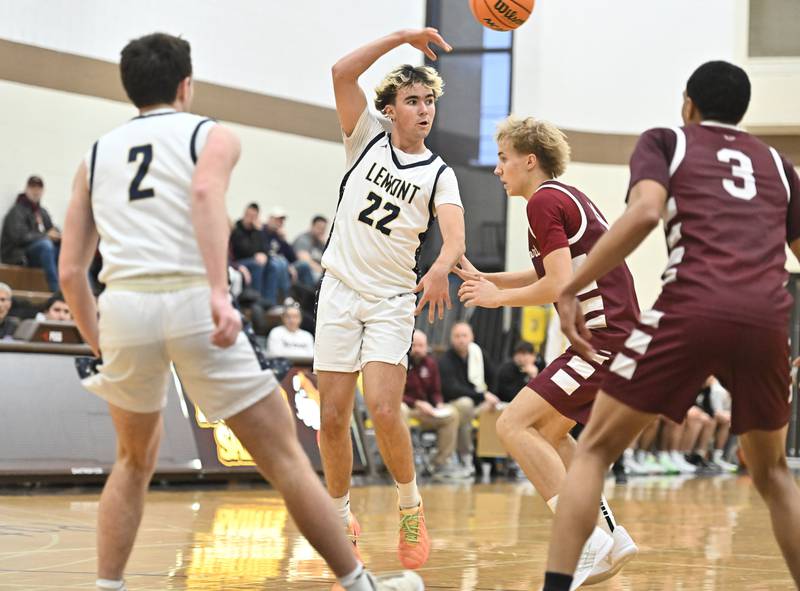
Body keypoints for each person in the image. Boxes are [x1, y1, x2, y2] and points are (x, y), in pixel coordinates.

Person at [57, 32, 422, 591]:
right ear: (186, 84)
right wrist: (218, 294)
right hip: (190, 301)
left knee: (131, 463)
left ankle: (109, 585)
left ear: (131, 88)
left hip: (123, 306)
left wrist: (99, 342)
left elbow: (68, 272)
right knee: (285, 458)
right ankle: (358, 583)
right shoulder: (211, 134)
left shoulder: (95, 155)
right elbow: (206, 195)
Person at [543, 61, 800, 590]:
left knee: (593, 447)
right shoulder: (778, 164)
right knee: (773, 474)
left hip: (692, 305)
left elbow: (642, 214)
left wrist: (571, 284)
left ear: (689, 104)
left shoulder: (667, 139)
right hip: (768, 318)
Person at [456, 115, 639, 587]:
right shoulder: (566, 196)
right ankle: (610, 536)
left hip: (600, 336)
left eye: (503, 158)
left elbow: (557, 284)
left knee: (512, 424)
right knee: (551, 434)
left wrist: (496, 299)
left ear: (529, 160)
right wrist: (490, 278)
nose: (498, 169)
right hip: (614, 336)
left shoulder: (542, 202)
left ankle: (584, 537)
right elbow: (549, 272)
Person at [315, 28, 464, 571]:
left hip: (390, 299)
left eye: (429, 102)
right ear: (390, 109)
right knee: (331, 417)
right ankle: (339, 520)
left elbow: (453, 237)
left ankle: (410, 506)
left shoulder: (439, 173)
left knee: (381, 407)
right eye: (413, 101)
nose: (424, 110)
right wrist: (404, 38)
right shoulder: (365, 138)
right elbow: (340, 72)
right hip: (338, 290)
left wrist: (444, 266)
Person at [402, 329, 465, 480]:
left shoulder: (431, 364)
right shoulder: (401, 363)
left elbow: (435, 391)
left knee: (452, 414)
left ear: (426, 347)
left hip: (427, 412)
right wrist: (416, 403)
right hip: (408, 408)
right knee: (400, 409)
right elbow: (395, 394)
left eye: (421, 346)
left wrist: (438, 404)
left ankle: (439, 463)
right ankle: (403, 461)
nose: (417, 349)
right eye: (414, 345)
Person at [438, 321, 498, 474]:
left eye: (464, 335)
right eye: (457, 336)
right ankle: (466, 457)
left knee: (498, 408)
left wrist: (491, 397)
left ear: (471, 337)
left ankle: (496, 462)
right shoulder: (446, 359)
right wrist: (483, 395)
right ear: (452, 339)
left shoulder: (480, 354)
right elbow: (452, 389)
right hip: (453, 403)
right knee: (465, 406)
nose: (461, 339)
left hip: (478, 404)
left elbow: (493, 378)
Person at [1, 175, 61, 291]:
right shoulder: (17, 211)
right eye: (32, 187)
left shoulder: (42, 212)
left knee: (65, 248)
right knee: (46, 245)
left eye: (39, 188)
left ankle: (80, 289)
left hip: (40, 254)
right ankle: (56, 290)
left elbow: (52, 228)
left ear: (43, 191)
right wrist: (46, 236)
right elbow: (19, 237)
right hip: (19, 255)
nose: (36, 191)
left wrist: (57, 234)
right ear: (26, 189)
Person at [230, 203, 270, 301]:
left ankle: (270, 300)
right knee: (257, 264)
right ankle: (256, 298)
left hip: (252, 260)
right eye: (248, 215)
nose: (250, 218)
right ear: (244, 213)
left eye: (253, 216)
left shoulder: (257, 230)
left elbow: (266, 249)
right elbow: (244, 250)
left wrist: (260, 232)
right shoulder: (237, 228)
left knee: (272, 264)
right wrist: (256, 254)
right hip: (238, 261)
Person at [293, 215, 328, 284]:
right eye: (319, 228)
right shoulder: (303, 239)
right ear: (312, 226)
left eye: (323, 229)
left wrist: (324, 244)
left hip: (316, 273)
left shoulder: (320, 242)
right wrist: (323, 273)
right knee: (305, 266)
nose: (321, 231)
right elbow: (305, 260)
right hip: (301, 272)